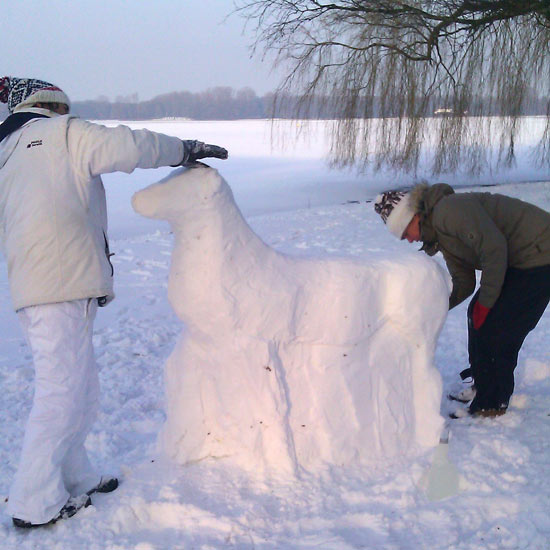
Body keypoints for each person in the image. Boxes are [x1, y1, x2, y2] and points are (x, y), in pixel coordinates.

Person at [0, 76, 228, 528]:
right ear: (52, 105)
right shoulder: (64, 134)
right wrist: (184, 149)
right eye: (64, 108)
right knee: (61, 390)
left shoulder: (7, 151)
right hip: (59, 282)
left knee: (79, 388)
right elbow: (129, 146)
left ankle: (75, 476)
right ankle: (32, 502)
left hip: (38, 283)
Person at [374, 183, 550, 418]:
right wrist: (432, 310)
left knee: (498, 326)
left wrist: (486, 304)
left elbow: (494, 249)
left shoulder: (449, 212)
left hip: (540, 252)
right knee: (475, 314)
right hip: (517, 259)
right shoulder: (441, 234)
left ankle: (492, 402)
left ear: (415, 217)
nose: (407, 240)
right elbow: (463, 283)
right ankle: (484, 385)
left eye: (405, 232)